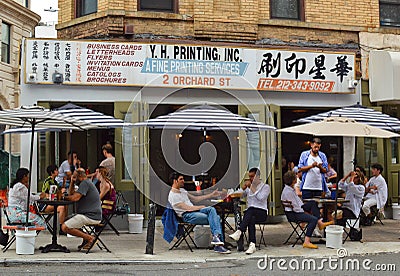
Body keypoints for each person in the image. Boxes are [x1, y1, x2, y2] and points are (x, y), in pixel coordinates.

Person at [168, 172, 231, 254]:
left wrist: (211, 195)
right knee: (217, 218)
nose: (183, 181)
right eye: (181, 179)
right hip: (188, 215)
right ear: (175, 181)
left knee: (211, 209)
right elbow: (188, 208)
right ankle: (219, 244)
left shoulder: (182, 191)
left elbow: (196, 199)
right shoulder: (172, 196)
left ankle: (217, 238)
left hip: (195, 211)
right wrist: (200, 207)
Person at [281, 171, 333, 249]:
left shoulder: (291, 189)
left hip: (298, 209)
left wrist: (304, 208)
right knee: (312, 219)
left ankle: (320, 222)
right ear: (293, 180)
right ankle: (307, 241)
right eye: (295, 178)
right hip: (294, 214)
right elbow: (296, 208)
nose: (297, 179)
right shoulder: (288, 192)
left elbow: (297, 204)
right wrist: (305, 212)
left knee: (312, 203)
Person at [229, 168, 270, 254]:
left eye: (252, 176)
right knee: (251, 218)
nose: (251, 179)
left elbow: (261, 198)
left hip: (262, 212)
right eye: (249, 177)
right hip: (251, 214)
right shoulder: (249, 188)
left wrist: (252, 188)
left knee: (250, 209)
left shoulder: (265, 187)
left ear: (258, 176)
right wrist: (242, 188)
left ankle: (239, 231)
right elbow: (238, 195)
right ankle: (252, 244)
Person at [61, 168, 102, 250]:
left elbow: (75, 198)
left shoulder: (85, 183)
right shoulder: (85, 183)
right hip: (89, 214)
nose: (74, 178)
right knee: (66, 220)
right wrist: (72, 182)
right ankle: (86, 239)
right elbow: (71, 193)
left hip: (90, 216)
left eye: (75, 177)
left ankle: (90, 238)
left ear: (80, 176)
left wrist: (63, 197)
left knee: (64, 227)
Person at [39, 165, 68, 235]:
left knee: (65, 205)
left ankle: (64, 225)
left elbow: (59, 192)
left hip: (53, 203)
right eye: (56, 170)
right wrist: (58, 194)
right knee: (62, 207)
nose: (58, 171)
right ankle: (61, 228)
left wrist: (64, 183)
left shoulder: (54, 182)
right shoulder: (48, 181)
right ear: (52, 172)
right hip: (45, 205)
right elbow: (45, 194)